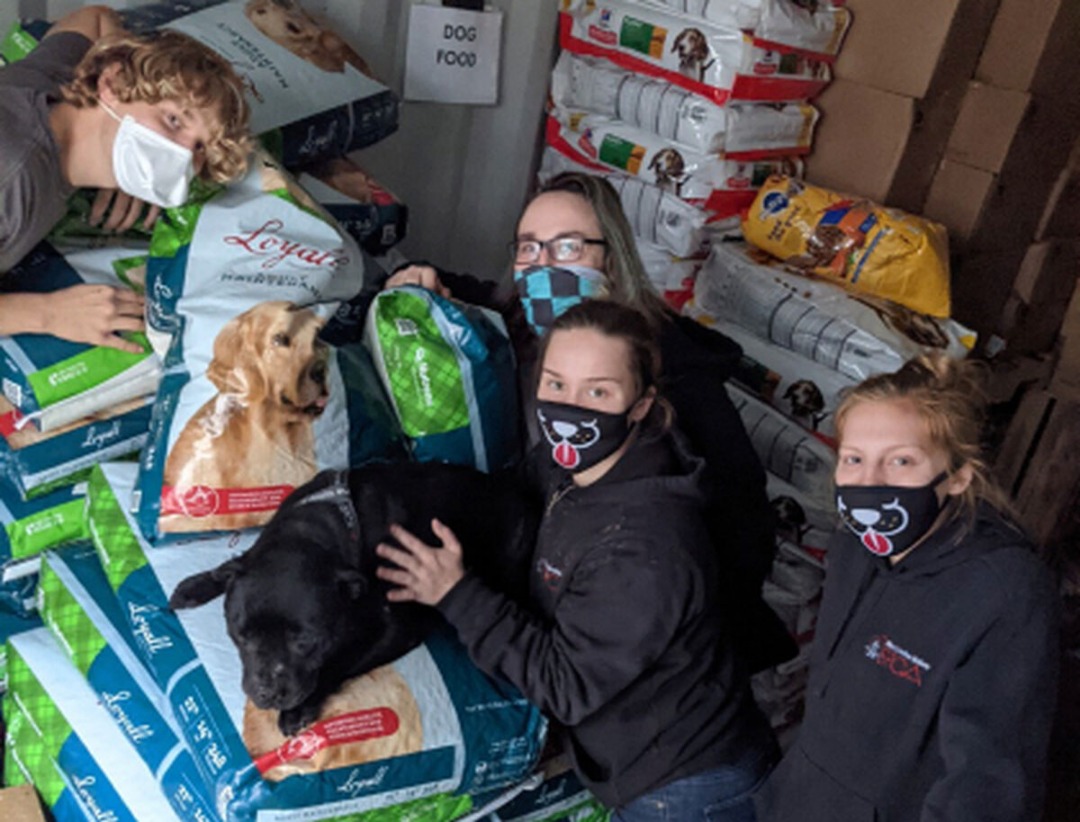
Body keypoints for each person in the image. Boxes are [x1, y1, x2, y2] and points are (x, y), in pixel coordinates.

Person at [376, 299, 779, 820]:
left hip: (688, 785)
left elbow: (566, 685)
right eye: (556, 384)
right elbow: (508, 501)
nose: (571, 407)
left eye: (598, 391)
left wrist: (458, 595)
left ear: (640, 404)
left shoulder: (648, 546)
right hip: (640, 755)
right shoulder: (571, 467)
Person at [386, 171, 795, 672]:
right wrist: (422, 276)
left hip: (632, 629)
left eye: (568, 248)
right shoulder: (520, 324)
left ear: (612, 261)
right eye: (529, 249)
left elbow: (742, 517)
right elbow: (486, 294)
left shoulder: (673, 373)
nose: (543, 268)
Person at [755, 353, 1060, 822]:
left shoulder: (1005, 592)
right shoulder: (856, 546)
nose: (870, 483)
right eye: (854, 459)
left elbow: (985, 787)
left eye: (901, 461)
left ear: (958, 476)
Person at [0, 5, 251, 351]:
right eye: (173, 121)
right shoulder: (13, 177)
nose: (176, 155)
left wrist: (123, 174)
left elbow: (93, 16)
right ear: (112, 82)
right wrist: (49, 313)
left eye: (198, 148)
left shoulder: (59, 79)